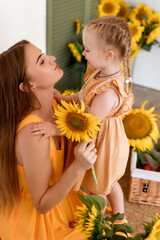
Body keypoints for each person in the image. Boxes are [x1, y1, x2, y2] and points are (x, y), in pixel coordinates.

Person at [31, 16, 134, 219]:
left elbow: (87, 124)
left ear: (108, 55)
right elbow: (83, 94)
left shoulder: (108, 93)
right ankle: (120, 214)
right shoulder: (99, 72)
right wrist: (65, 98)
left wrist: (55, 129)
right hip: (98, 135)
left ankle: (99, 220)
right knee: (108, 181)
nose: (83, 52)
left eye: (87, 49)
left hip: (104, 142)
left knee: (101, 187)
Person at [0, 40, 98, 240]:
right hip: (37, 222)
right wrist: (78, 167)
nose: (52, 58)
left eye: (44, 54)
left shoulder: (57, 103)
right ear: (28, 86)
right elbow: (42, 204)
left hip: (61, 200)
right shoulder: (33, 134)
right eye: (41, 61)